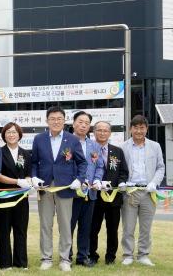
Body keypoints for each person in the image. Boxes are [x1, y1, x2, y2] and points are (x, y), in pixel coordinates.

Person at [31, 106, 87, 272]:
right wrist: (34, 176)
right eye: (52, 119)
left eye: (59, 119)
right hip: (45, 187)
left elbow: (82, 163)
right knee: (45, 224)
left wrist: (79, 179)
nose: (56, 122)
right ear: (47, 121)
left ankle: (64, 259)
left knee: (65, 224)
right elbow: (34, 162)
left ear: (64, 121)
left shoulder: (72, 139)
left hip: (66, 187)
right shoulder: (39, 139)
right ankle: (46, 258)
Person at [120, 114, 165, 266]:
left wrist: (154, 182)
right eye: (136, 128)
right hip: (130, 192)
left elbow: (160, 167)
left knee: (146, 227)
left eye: (142, 128)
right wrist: (122, 183)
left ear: (146, 129)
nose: (139, 131)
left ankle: (143, 255)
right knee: (128, 227)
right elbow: (119, 168)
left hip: (148, 192)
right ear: (131, 129)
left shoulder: (155, 146)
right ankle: (127, 255)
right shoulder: (123, 147)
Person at [89, 121, 128, 265]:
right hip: (94, 197)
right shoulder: (89, 149)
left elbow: (123, 172)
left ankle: (110, 257)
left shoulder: (117, 151)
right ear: (94, 132)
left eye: (105, 130)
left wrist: (122, 182)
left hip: (113, 198)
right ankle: (92, 255)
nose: (102, 133)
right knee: (93, 229)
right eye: (99, 130)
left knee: (113, 229)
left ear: (110, 133)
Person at [69, 111, 104, 267]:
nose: (83, 125)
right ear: (73, 123)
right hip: (71, 192)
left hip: (90, 193)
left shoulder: (94, 145)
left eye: (86, 123)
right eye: (80, 121)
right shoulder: (66, 142)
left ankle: (82, 257)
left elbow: (100, 166)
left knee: (85, 226)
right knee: (69, 226)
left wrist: (97, 180)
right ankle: (66, 256)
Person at [0, 122, 31, 270]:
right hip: (4, 196)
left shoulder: (26, 153)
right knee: (3, 230)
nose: (11, 135)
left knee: (21, 230)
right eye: (8, 132)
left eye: (14, 132)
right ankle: (5, 263)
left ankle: (21, 262)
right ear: (4, 135)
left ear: (19, 134)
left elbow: (28, 173)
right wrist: (17, 181)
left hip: (22, 198)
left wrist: (29, 180)